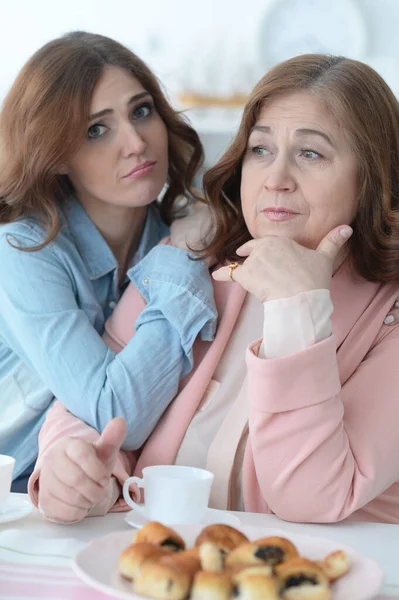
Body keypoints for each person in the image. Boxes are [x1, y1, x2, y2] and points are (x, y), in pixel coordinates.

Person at [30, 53, 399, 524]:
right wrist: (78, 468)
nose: (276, 180)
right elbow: (89, 405)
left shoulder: (390, 318)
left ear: (371, 178)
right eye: (260, 150)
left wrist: (296, 307)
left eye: (311, 154)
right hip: (152, 562)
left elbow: (312, 499)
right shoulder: (191, 262)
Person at [0, 31, 218, 494]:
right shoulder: (22, 251)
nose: (136, 143)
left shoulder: (169, 237)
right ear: (55, 155)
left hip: (105, 496)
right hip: (15, 495)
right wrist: (183, 256)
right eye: (96, 130)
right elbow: (117, 414)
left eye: (141, 111)